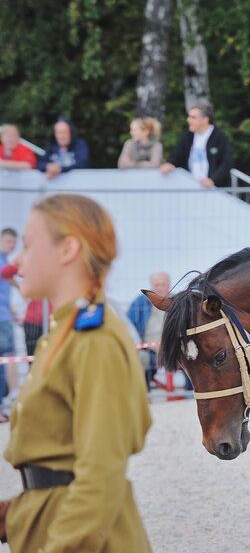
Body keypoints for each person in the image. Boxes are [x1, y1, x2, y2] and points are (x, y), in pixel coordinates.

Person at [0, 194, 151, 551]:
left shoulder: (93, 340)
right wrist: (17, 515)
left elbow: (99, 477)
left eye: (27, 245)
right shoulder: (63, 332)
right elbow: (56, 461)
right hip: (53, 519)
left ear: (68, 249)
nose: (18, 260)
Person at [160, 102, 233, 188]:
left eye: (193, 117)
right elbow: (177, 154)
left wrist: (213, 180)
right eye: (189, 116)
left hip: (213, 190)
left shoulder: (219, 136)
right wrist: (169, 163)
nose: (188, 120)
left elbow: (226, 162)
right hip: (191, 187)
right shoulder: (188, 136)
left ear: (205, 120)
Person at [128, 271, 170, 390]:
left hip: (173, 346)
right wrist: (148, 346)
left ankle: (190, 394)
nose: (161, 288)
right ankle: (144, 395)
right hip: (148, 348)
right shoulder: (139, 303)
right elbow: (129, 326)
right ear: (151, 287)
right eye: (157, 285)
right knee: (141, 359)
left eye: (163, 284)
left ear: (169, 285)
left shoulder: (177, 301)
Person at [1, 228, 19, 421]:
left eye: (13, 242)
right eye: (8, 241)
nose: (11, 246)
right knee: (8, 358)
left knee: (6, 359)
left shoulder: (5, 260)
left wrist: (13, 312)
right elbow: (7, 274)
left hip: (6, 315)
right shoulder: (3, 263)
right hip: (1, 319)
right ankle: (14, 394)